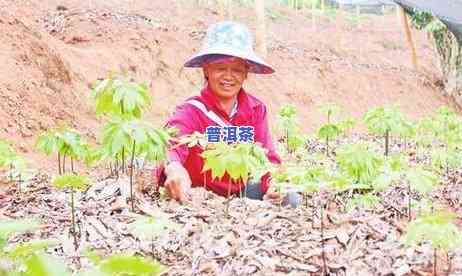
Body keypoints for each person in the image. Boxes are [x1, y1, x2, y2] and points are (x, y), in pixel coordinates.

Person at [155, 21, 300, 207]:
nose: (229, 76)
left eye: (237, 70)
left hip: (242, 191)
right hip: (199, 194)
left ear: (246, 73)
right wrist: (175, 170)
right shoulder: (191, 110)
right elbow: (171, 147)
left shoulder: (256, 110)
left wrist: (274, 184)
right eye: (221, 68)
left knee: (290, 198)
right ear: (206, 70)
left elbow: (267, 157)